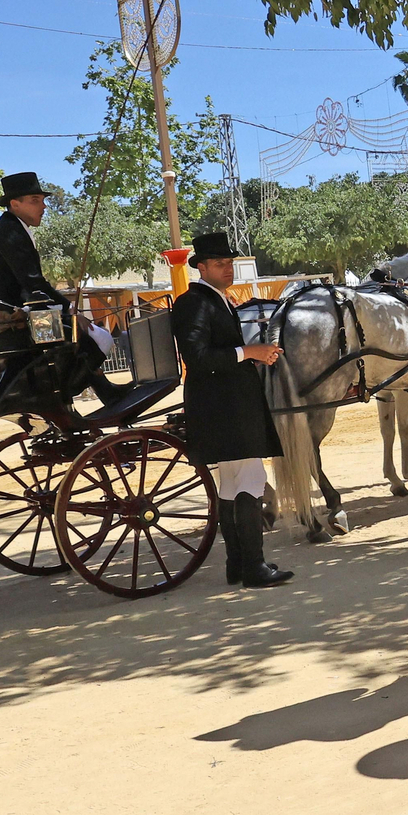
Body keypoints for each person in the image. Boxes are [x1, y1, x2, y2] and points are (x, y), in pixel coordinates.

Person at [170, 231, 293, 589]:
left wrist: (255, 355)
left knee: (231, 486)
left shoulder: (217, 299)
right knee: (250, 481)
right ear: (202, 267)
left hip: (228, 404)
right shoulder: (195, 302)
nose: (228, 269)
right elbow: (197, 357)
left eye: (230, 263)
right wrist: (248, 353)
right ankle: (253, 566)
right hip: (224, 408)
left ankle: (238, 564)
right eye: (220, 264)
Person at [0, 171, 124, 403]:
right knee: (97, 337)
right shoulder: (10, 232)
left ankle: (99, 392)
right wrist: (71, 312)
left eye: (43, 200)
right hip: (8, 321)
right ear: (15, 204)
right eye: (35, 200)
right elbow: (33, 282)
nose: (43, 206)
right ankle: (67, 394)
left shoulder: (10, 228)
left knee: (84, 340)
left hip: (13, 315)